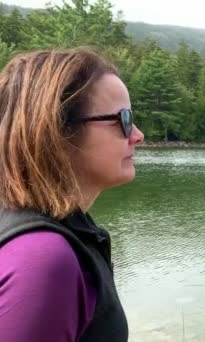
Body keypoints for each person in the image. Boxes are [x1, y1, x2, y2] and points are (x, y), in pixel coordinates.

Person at [0, 48, 144, 341]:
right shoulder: (43, 261)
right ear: (57, 132)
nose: (138, 134)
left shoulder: (46, 234)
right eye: (124, 119)